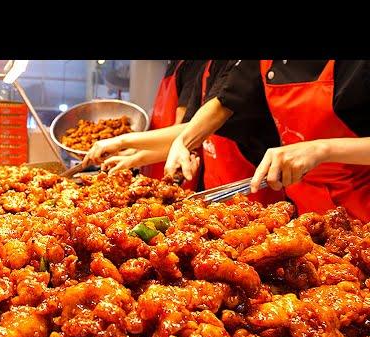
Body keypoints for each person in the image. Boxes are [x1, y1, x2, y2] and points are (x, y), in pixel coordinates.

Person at [164, 60, 370, 222]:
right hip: (305, 214)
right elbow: (225, 100)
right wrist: (183, 141)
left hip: (361, 213)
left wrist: (321, 149)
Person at [165, 60, 286, 205]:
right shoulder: (206, 69)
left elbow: (222, 105)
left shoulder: (247, 67)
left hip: (257, 196)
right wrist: (187, 147)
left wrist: (183, 142)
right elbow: (189, 126)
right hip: (213, 191)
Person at [142, 60, 206, 181]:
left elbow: (182, 131)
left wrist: (124, 144)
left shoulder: (193, 65)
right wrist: (131, 153)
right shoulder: (174, 65)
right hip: (156, 161)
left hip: (174, 163)